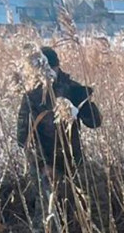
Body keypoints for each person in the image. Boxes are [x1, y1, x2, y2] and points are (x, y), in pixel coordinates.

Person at [16, 46, 102, 178]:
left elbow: (95, 123)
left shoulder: (72, 88)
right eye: (45, 69)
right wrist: (42, 165)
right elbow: (23, 138)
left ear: (57, 66)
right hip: (44, 166)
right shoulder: (32, 95)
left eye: (52, 68)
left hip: (74, 160)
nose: (49, 73)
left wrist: (86, 105)